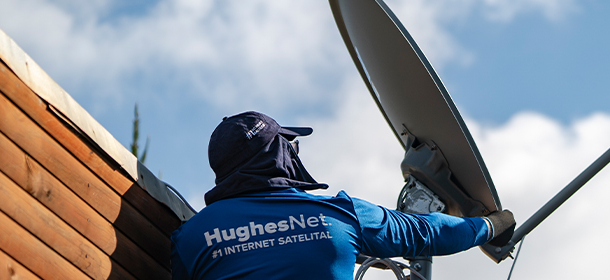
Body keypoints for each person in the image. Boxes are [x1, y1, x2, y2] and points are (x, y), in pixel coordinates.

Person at [170, 111, 515, 279]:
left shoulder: (190, 238)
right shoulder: (340, 215)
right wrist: (491, 224)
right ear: (277, 156)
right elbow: (428, 232)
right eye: (290, 146)